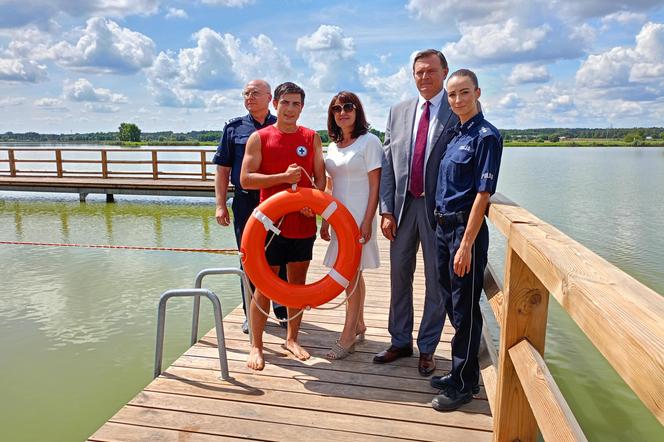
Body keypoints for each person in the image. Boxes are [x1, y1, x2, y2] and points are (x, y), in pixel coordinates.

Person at [375, 49, 459, 376]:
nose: (424, 77)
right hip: (403, 206)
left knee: (436, 282)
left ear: (444, 72)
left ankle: (427, 347)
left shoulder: (456, 111)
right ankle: (400, 340)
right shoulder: (398, 112)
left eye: (431, 71)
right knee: (399, 276)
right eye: (419, 72)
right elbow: (386, 165)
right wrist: (386, 210)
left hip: (438, 211)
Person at [429, 69, 502, 411]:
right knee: (452, 306)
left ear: (478, 93)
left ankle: (463, 386)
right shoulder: (456, 134)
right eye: (452, 95)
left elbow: (482, 194)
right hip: (443, 230)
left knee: (465, 310)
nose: (457, 100)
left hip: (463, 233)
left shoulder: (485, 136)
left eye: (464, 93)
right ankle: (463, 372)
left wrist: (467, 244)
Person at [240, 81, 325, 371]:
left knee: (296, 286)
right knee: (264, 286)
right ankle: (257, 345)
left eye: (296, 104)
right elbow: (246, 179)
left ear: (302, 107)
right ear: (275, 105)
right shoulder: (260, 137)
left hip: (302, 222)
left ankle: (291, 338)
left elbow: (320, 179)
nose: (290, 109)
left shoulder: (311, 137)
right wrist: (281, 178)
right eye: (285, 103)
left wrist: (312, 203)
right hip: (269, 225)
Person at [213, 79, 288, 334]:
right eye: (246, 93)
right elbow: (223, 170)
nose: (249, 97)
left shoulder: (282, 125)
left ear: (270, 98)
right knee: (249, 258)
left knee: (280, 256)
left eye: (255, 93)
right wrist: (220, 205)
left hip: (276, 201)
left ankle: (282, 309)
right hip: (246, 201)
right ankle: (252, 312)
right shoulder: (233, 128)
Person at [319, 91, 382, 359]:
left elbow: (375, 185)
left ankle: (347, 336)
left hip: (358, 216)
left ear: (357, 111)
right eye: (336, 109)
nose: (342, 112)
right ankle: (358, 323)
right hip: (337, 216)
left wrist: (367, 221)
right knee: (352, 274)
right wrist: (324, 219)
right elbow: (331, 185)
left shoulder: (370, 142)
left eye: (348, 107)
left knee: (349, 274)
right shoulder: (332, 146)